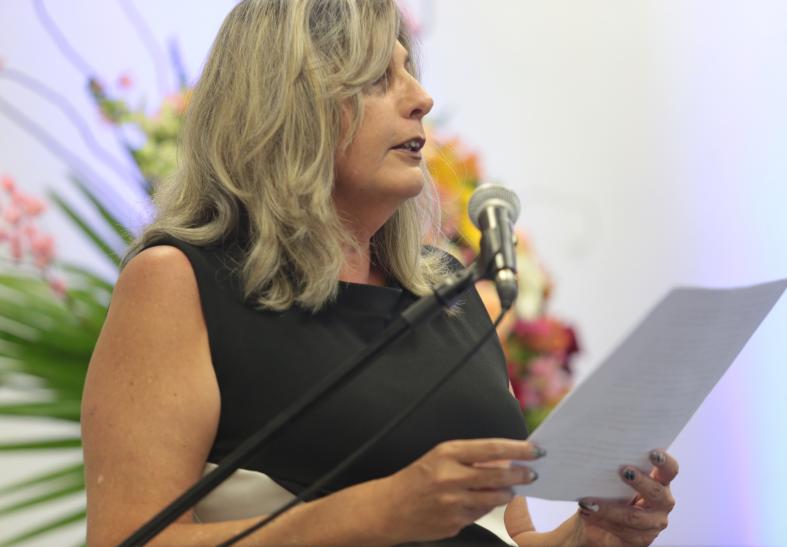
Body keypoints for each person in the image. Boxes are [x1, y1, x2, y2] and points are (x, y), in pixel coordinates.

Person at [81, 0, 678, 545]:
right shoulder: (180, 281)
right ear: (289, 105)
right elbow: (128, 540)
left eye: (410, 71)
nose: (422, 98)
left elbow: (509, 533)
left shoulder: (447, 291)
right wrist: (371, 514)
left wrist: (589, 537)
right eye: (378, 79)